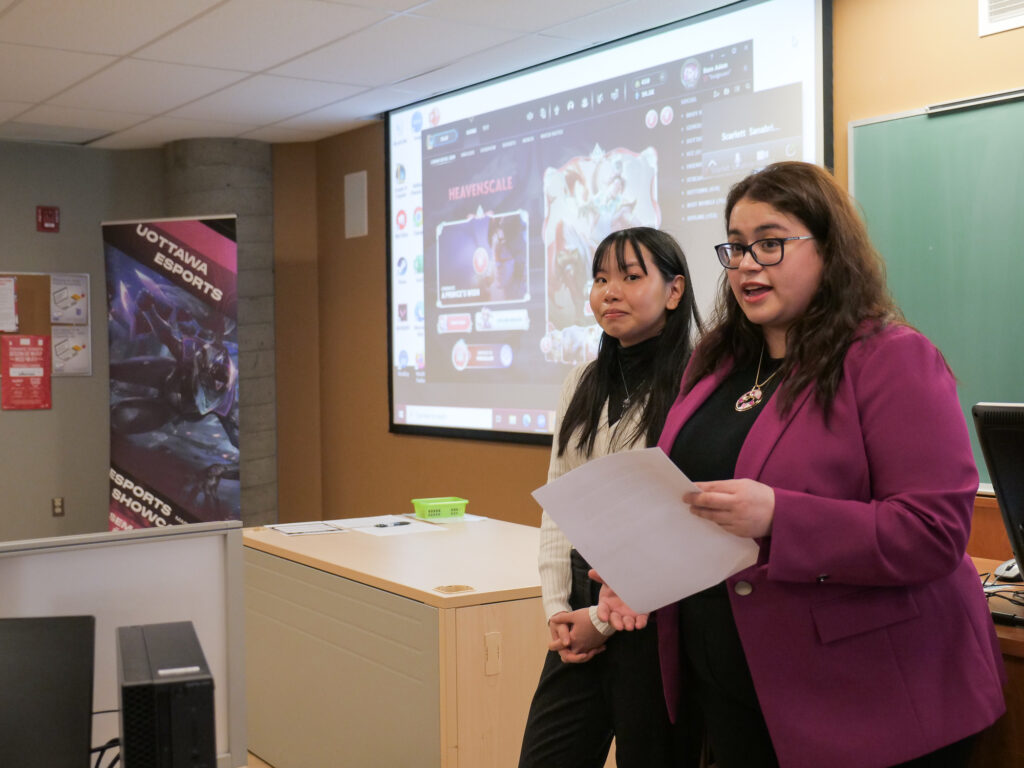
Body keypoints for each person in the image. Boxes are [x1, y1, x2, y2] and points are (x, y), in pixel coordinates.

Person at [596, 161, 1006, 768]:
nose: (747, 264)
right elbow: (700, 505)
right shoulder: (716, 360)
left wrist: (780, 516)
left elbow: (933, 532)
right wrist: (644, 568)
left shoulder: (892, 359)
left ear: (830, 249)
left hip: (868, 706)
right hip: (737, 696)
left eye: (770, 243)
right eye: (735, 248)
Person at [519, 227, 703, 768]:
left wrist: (600, 623)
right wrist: (560, 610)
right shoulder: (581, 381)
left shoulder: (697, 383)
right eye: (601, 279)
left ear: (674, 291)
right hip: (581, 603)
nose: (610, 292)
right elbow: (560, 501)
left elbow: (680, 525)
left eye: (630, 276)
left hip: (659, 615)